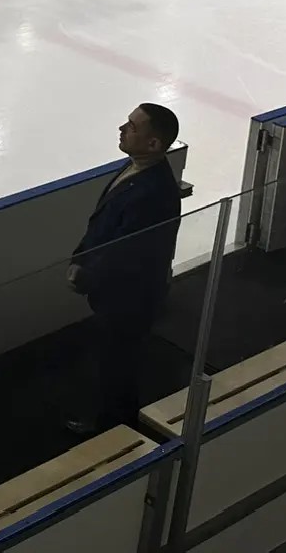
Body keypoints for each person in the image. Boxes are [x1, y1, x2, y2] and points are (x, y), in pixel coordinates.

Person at [65, 104, 183, 434]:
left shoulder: (152, 192)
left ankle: (114, 430)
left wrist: (86, 276)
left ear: (153, 143)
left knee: (118, 363)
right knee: (112, 358)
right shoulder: (136, 168)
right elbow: (103, 223)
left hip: (128, 297)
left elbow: (127, 252)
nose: (122, 128)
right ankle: (112, 422)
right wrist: (81, 256)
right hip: (117, 292)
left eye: (132, 126)